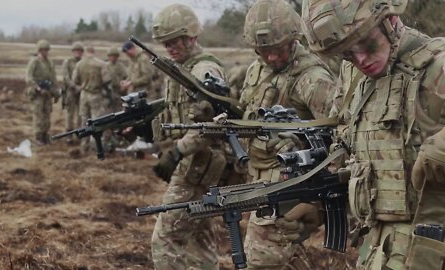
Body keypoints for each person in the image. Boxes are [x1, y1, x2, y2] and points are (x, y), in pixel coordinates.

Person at [282, 0, 445, 269]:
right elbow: (351, 148)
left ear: (390, 21)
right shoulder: (352, 78)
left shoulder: (437, 65)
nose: (360, 60)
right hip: (381, 250)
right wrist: (322, 204)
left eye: (367, 44)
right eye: (346, 54)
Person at [238, 0, 337, 269]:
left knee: (259, 264)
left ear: (294, 39)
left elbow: (341, 137)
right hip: (260, 180)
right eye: (263, 51)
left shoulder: (313, 78)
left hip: (290, 187)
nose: (271, 58)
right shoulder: (256, 70)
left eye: (278, 50)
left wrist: (316, 202)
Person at [149, 4, 230, 269]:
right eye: (165, 43)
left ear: (191, 36)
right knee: (199, 239)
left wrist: (176, 152)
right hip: (193, 164)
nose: (169, 48)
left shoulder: (203, 71)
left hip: (197, 166)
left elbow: (213, 124)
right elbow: (177, 113)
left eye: (174, 42)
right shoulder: (180, 68)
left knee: (165, 240)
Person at [72, 46, 111, 153]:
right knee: (96, 122)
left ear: (85, 52)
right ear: (94, 52)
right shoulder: (101, 64)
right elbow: (107, 80)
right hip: (96, 94)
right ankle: (95, 147)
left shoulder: (79, 64)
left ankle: (84, 146)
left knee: (84, 120)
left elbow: (75, 80)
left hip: (84, 95)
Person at [25, 39, 60, 145]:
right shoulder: (34, 62)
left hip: (47, 93)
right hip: (37, 94)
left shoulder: (50, 62)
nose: (45, 52)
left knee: (47, 115)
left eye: (46, 50)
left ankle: (45, 135)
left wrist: (56, 91)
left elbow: (53, 78)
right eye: (43, 50)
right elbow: (29, 78)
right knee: (38, 115)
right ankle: (38, 136)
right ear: (39, 50)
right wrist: (38, 88)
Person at [61, 41, 84, 144]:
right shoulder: (68, 62)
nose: (78, 53)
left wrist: (82, 87)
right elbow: (66, 77)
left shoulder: (83, 62)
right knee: (70, 114)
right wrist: (74, 86)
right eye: (76, 51)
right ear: (73, 51)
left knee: (81, 114)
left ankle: (80, 133)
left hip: (81, 91)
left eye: (80, 51)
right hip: (71, 91)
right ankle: (69, 135)